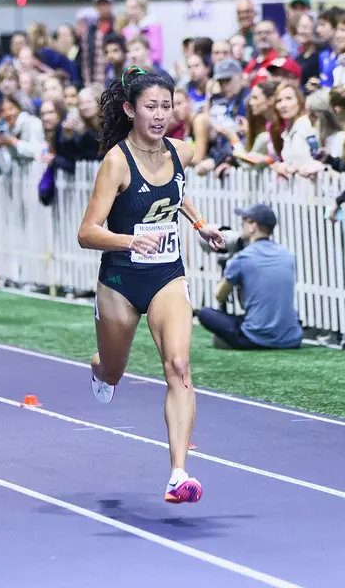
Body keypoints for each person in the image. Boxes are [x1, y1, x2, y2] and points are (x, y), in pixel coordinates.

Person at [76, 66, 225, 505]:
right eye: (150, 107)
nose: (160, 115)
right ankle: (99, 365)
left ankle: (178, 473)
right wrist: (129, 239)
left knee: (179, 365)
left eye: (167, 106)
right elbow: (87, 232)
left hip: (166, 274)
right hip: (121, 279)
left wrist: (199, 223)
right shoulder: (116, 162)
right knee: (114, 371)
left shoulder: (179, 151)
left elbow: (175, 192)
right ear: (130, 109)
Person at [195, 203, 305, 351]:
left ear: (253, 226)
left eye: (244, 222)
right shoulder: (287, 255)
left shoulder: (243, 258)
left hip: (255, 338)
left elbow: (219, 295)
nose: (241, 227)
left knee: (204, 313)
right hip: (291, 338)